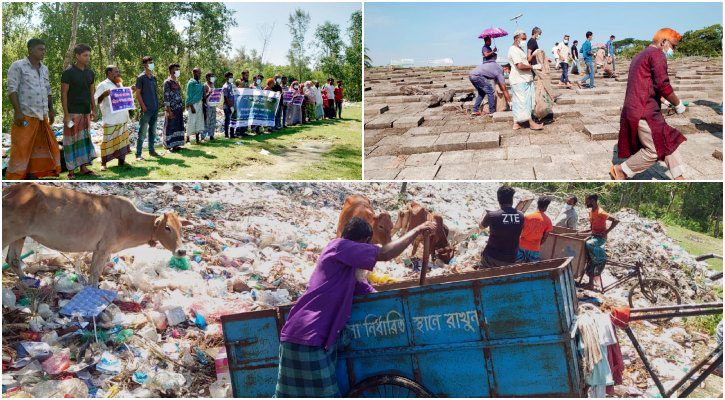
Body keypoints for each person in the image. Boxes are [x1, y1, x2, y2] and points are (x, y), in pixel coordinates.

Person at [274, 217, 437, 397]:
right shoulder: (338, 247)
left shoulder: (349, 270)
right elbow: (384, 253)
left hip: (316, 340)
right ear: (363, 242)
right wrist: (416, 230)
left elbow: (369, 293)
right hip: (307, 336)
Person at [610, 28, 688, 181]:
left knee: (667, 140)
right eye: (673, 46)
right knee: (653, 150)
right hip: (645, 111)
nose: (673, 50)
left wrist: (664, 101)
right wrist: (678, 104)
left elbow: (645, 85)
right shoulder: (656, 54)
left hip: (640, 106)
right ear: (663, 41)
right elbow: (663, 85)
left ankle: (678, 177)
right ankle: (621, 170)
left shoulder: (640, 55)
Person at [5, 38, 61, 179]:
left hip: (42, 116)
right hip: (26, 115)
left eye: (44, 49)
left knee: (40, 147)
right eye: (40, 49)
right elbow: (12, 89)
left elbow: (48, 90)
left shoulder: (44, 68)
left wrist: (51, 109)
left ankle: (32, 175)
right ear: (30, 50)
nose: (43, 52)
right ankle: (16, 178)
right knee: (21, 148)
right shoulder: (18, 66)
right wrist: (18, 112)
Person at [61, 43, 97, 178]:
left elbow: (91, 93)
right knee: (71, 140)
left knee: (84, 139)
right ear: (77, 56)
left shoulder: (90, 73)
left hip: (85, 111)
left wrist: (94, 109)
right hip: (72, 112)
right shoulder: (68, 73)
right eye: (85, 55)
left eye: (89, 55)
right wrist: (66, 114)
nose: (88, 58)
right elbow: (63, 94)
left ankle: (83, 168)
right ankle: (70, 171)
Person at [477, 185, 525, 268]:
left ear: (498, 199)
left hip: (492, 258)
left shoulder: (491, 215)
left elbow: (481, 227)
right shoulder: (521, 215)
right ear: (512, 199)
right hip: (511, 259)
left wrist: (481, 218)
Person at [94, 65, 132, 170]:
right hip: (110, 118)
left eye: (118, 71)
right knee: (107, 141)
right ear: (109, 73)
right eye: (116, 71)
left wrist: (130, 91)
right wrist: (103, 95)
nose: (118, 73)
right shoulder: (102, 85)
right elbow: (95, 101)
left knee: (122, 140)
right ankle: (103, 164)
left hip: (122, 117)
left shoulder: (119, 83)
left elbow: (123, 98)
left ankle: (121, 161)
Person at [508, 29, 543, 130]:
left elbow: (525, 61)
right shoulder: (513, 50)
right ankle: (531, 123)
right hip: (520, 80)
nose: (524, 41)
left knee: (519, 102)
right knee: (524, 102)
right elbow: (519, 65)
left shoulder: (518, 49)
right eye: (523, 39)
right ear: (516, 38)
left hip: (523, 79)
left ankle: (516, 123)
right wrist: (533, 67)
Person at [582, 194, 619, 290]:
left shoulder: (601, 212)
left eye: (587, 201)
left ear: (593, 201)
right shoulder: (591, 212)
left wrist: (606, 232)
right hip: (594, 236)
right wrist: (581, 232)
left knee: (589, 244)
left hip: (600, 239)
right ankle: (591, 284)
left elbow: (616, 220)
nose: (586, 203)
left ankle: (602, 257)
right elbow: (591, 228)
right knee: (590, 259)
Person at [134, 56, 161, 161]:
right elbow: (138, 94)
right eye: (150, 62)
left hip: (155, 109)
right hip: (146, 110)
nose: (152, 64)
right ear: (145, 65)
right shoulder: (141, 78)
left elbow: (154, 93)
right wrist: (143, 106)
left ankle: (152, 150)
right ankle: (138, 154)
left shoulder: (153, 78)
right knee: (142, 132)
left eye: (152, 62)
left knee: (153, 132)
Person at [517, 196, 553, 263]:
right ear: (546, 207)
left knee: (518, 265)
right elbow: (545, 238)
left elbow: (518, 231)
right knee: (532, 268)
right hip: (534, 247)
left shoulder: (526, 216)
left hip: (521, 245)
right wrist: (538, 245)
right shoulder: (548, 221)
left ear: (537, 204)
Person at [162, 63, 185, 151]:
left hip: (178, 108)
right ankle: (169, 145)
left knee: (177, 126)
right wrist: (169, 111)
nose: (178, 71)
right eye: (177, 69)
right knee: (170, 127)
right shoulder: (167, 82)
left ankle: (176, 145)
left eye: (179, 69)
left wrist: (181, 106)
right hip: (171, 109)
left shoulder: (177, 82)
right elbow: (166, 97)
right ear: (172, 71)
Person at [185, 67, 204, 144]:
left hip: (199, 103)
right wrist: (191, 106)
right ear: (194, 73)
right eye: (199, 73)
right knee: (191, 121)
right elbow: (189, 95)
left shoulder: (199, 82)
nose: (200, 74)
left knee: (199, 120)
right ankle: (188, 139)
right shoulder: (191, 83)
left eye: (200, 73)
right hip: (193, 104)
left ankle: (197, 139)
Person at [202, 72, 217, 141]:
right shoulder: (205, 85)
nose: (213, 78)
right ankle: (203, 136)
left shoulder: (213, 85)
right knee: (206, 121)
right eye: (212, 76)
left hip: (213, 105)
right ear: (207, 77)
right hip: (207, 105)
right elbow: (203, 98)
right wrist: (209, 93)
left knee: (213, 121)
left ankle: (211, 135)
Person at [221, 72, 235, 138]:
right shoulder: (225, 86)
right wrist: (230, 107)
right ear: (226, 78)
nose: (231, 78)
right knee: (227, 121)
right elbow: (226, 98)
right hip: (227, 107)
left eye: (232, 77)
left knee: (232, 120)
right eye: (230, 77)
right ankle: (226, 135)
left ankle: (232, 134)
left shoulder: (232, 85)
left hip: (232, 106)